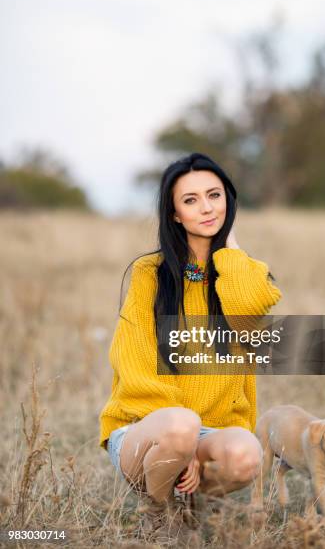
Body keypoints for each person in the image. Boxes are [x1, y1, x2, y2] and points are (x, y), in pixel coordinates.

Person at [98, 152, 282, 539]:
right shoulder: (150, 274)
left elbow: (249, 313)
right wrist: (182, 442)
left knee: (246, 453)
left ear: (229, 201)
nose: (206, 208)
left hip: (211, 432)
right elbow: (133, 361)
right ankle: (158, 511)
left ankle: (192, 506)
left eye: (215, 195)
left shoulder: (246, 273)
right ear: (175, 214)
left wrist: (229, 247)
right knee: (182, 425)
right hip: (148, 430)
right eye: (191, 200)